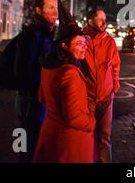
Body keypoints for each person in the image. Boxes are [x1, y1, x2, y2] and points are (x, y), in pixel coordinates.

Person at [33, 19, 95, 163]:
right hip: (69, 142)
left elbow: (42, 97)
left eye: (84, 43)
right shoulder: (70, 73)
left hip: (49, 135)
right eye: (79, 43)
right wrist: (91, 121)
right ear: (64, 45)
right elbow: (74, 119)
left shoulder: (47, 68)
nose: (84, 47)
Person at [14, 0, 57, 163]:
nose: (55, 12)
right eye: (50, 7)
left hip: (38, 100)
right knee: (28, 147)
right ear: (39, 10)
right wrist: (43, 87)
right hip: (31, 100)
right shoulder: (32, 35)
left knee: (35, 145)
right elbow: (22, 72)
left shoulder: (46, 33)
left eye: (56, 7)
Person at [81, 9, 120, 163]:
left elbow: (115, 66)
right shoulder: (81, 39)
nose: (104, 22)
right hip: (87, 96)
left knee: (105, 136)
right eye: (100, 19)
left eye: (105, 19)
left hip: (106, 96)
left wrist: (114, 88)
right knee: (87, 134)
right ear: (90, 21)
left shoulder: (109, 41)